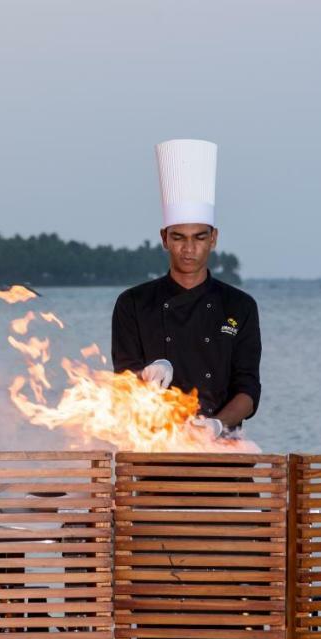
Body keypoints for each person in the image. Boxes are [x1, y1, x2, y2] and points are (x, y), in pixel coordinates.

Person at [111, 139, 261, 438]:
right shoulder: (133, 304)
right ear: (165, 238)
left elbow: (248, 389)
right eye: (179, 237)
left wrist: (216, 426)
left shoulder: (239, 306)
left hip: (224, 452)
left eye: (199, 237)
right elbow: (123, 387)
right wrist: (148, 373)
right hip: (158, 452)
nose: (189, 249)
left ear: (214, 238)